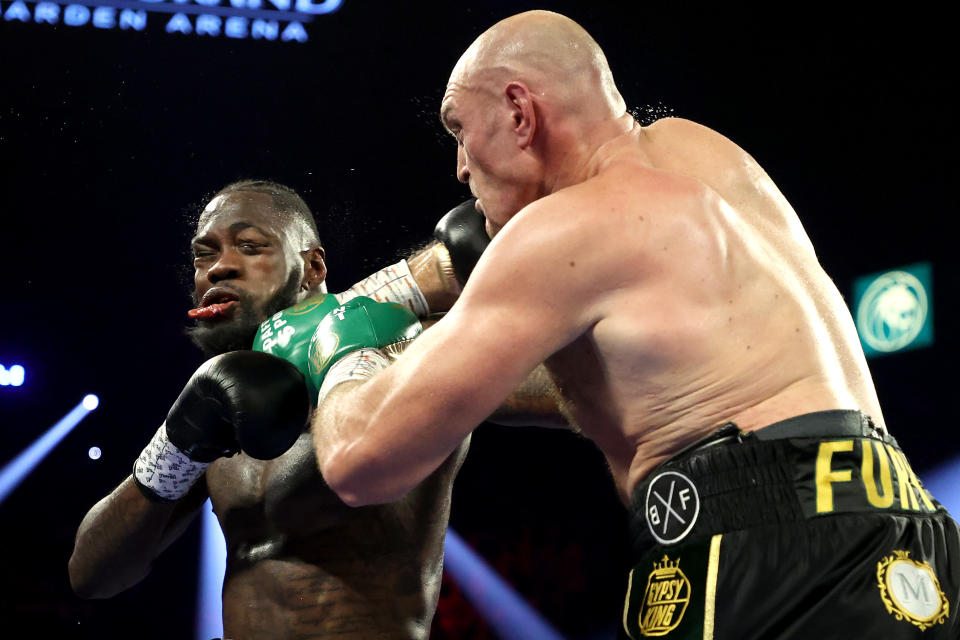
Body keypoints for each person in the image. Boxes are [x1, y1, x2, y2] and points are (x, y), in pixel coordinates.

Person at [307, 11, 960, 639]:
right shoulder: (701, 153)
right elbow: (606, 388)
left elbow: (360, 462)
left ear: (518, 111)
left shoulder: (562, 229)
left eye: (459, 130)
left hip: (760, 547)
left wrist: (342, 350)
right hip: (913, 538)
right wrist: (428, 358)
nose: (459, 165)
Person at [68, 180, 531, 639]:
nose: (218, 268)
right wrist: (174, 445)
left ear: (312, 268)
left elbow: (568, 388)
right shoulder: (224, 405)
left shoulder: (398, 346)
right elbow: (91, 575)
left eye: (250, 246)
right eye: (203, 255)